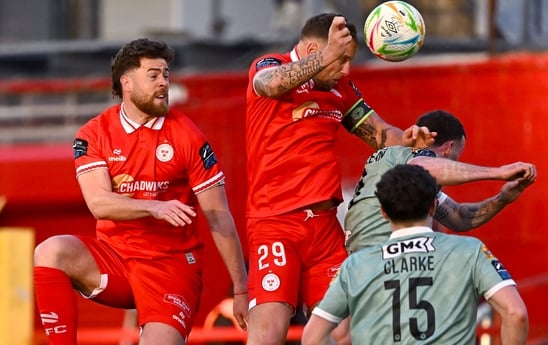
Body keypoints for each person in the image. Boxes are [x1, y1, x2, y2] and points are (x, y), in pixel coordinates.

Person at [33, 38, 248, 345]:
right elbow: (98, 203)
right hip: (117, 260)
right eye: (153, 75)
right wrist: (153, 207)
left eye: (166, 75)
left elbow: (219, 216)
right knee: (49, 251)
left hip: (171, 268)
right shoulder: (94, 134)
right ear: (127, 83)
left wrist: (241, 290)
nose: (163, 83)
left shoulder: (188, 135)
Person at [244, 12, 435, 345]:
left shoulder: (339, 87)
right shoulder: (269, 65)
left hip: (325, 227)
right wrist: (329, 56)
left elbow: (378, 133)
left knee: (345, 331)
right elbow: (270, 84)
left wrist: (407, 138)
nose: (346, 69)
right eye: (342, 59)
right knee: (268, 331)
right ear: (317, 48)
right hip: (276, 221)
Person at [303, 164, 529, 345]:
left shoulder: (356, 265)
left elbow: (312, 338)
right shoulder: (469, 251)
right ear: (433, 206)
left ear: (383, 212)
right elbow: (515, 314)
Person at [344, 109, 537, 253]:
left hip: (360, 260)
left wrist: (502, 199)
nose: (455, 163)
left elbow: (460, 217)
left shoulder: (401, 170)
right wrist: (499, 172)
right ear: (449, 147)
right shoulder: (414, 157)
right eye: (456, 156)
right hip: (378, 257)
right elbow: (426, 166)